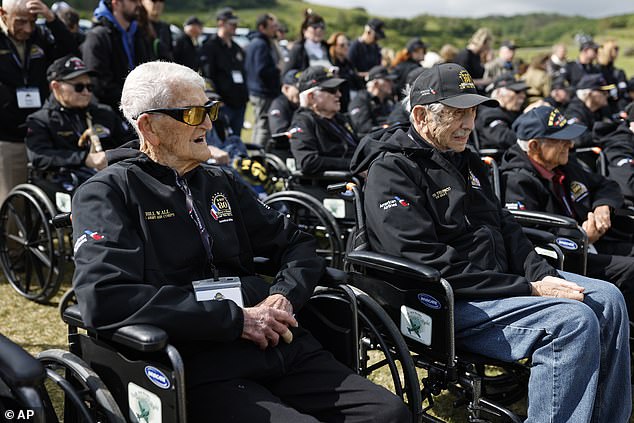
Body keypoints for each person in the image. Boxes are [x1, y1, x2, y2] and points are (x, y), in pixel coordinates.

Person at [70, 60, 409, 423]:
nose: (208, 123)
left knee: (390, 414)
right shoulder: (108, 193)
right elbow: (104, 296)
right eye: (194, 113)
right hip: (197, 360)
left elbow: (298, 244)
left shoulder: (219, 182)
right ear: (149, 127)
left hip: (276, 342)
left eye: (210, 109)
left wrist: (284, 297)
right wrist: (235, 320)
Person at [350, 62, 631, 423]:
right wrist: (529, 288)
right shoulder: (393, 170)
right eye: (458, 113)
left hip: (496, 284)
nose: (470, 123)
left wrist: (544, 275)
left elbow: (504, 224)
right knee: (571, 321)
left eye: (473, 111)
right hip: (446, 300)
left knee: (609, 298)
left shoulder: (463, 159)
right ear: (421, 116)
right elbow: (425, 262)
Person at [500, 105, 634, 314]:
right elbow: (531, 237)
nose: (570, 145)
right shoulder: (517, 180)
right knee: (630, 270)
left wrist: (602, 206)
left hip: (592, 243)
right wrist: (582, 236)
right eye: (560, 141)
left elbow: (606, 185)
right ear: (535, 146)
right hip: (565, 259)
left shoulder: (563, 163)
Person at [0, 0, 76, 202]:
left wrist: (52, 20)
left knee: (42, 201)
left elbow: (70, 52)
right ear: (2, 14)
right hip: (8, 138)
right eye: (21, 22)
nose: (27, 29)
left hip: (39, 133)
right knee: (11, 201)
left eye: (32, 22)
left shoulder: (40, 36)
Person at [25, 55, 129, 188]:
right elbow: (39, 157)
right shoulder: (40, 120)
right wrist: (85, 159)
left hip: (113, 177)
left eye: (90, 87)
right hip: (70, 183)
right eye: (79, 87)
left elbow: (127, 141)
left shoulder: (104, 113)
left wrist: (112, 156)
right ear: (56, 86)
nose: (86, 92)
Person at [81, 0, 154, 114]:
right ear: (116, 3)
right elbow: (99, 84)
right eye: (133, 1)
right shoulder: (97, 36)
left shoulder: (138, 34)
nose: (138, 4)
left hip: (138, 109)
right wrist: (133, 101)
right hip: (111, 115)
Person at [289, 66, 358, 174]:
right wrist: (353, 165)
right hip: (334, 184)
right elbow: (308, 161)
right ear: (311, 97)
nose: (339, 94)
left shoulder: (338, 118)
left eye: (338, 90)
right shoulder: (303, 122)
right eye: (332, 90)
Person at [200, 7, 248, 137]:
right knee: (221, 140)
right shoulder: (210, 46)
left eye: (236, 23)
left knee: (235, 140)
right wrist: (216, 100)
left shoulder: (236, 48)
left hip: (239, 102)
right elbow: (207, 75)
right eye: (231, 23)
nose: (235, 26)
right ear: (221, 23)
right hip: (223, 104)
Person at [244, 13, 280, 146]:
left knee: (260, 124)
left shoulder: (257, 43)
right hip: (262, 92)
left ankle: (256, 153)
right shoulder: (261, 44)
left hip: (258, 90)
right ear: (262, 28)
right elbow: (262, 70)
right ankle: (257, 155)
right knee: (263, 126)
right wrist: (277, 69)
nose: (275, 29)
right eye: (272, 26)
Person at [475, 74, 527, 150]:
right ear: (499, 92)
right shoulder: (489, 113)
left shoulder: (514, 111)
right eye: (517, 91)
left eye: (523, 92)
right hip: (500, 158)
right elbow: (505, 139)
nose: (523, 95)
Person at [565, 73, 615, 147]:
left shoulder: (602, 109)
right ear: (589, 94)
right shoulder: (573, 112)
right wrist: (606, 132)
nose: (607, 94)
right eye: (603, 92)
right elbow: (579, 139)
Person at [348, 65, 396, 137]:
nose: (391, 83)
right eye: (387, 80)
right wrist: (385, 128)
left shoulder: (388, 101)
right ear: (376, 83)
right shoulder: (360, 100)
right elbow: (363, 129)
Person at [327, 31, 362, 111]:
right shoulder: (331, 64)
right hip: (339, 104)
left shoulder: (348, 63)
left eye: (348, 44)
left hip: (352, 102)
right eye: (342, 45)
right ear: (334, 46)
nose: (346, 47)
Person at [268, 68, 300, 135]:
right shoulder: (278, 105)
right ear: (286, 88)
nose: (302, 92)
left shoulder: (307, 104)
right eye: (299, 88)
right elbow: (279, 133)